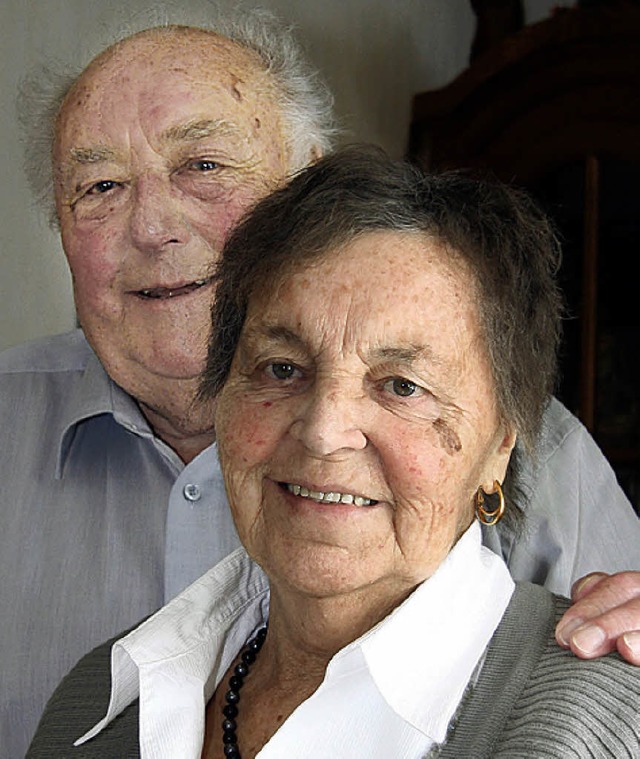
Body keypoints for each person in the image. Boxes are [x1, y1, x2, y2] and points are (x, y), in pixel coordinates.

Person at [3, 11, 640, 758]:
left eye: (204, 165)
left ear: (309, 190)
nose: (152, 225)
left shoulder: (538, 444)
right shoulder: (98, 696)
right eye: (101, 184)